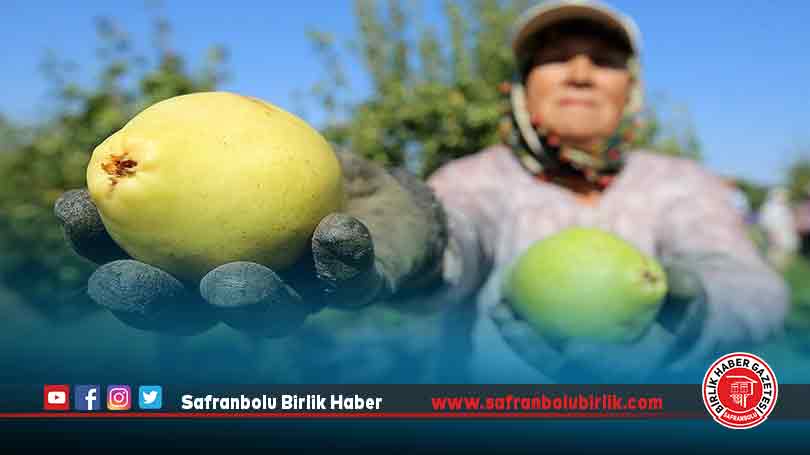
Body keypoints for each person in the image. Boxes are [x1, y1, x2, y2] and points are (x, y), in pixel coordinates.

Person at [55, 0, 788, 383]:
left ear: (631, 91)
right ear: (519, 89)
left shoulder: (678, 183)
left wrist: (689, 305)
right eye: (554, 59)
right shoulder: (475, 180)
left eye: (602, 61)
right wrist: (418, 241)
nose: (578, 72)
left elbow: (759, 290)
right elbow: (455, 244)